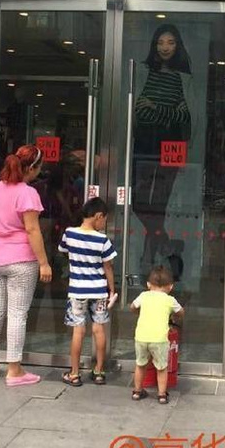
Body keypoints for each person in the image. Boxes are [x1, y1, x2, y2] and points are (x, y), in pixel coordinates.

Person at [0, 144, 53, 386]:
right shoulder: (27, 193)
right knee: (17, 314)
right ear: (31, 168)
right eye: (39, 167)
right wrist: (44, 262)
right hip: (20, 259)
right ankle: (14, 370)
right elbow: (32, 229)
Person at [133, 24, 193, 272]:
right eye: (160, 42)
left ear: (178, 46)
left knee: (158, 207)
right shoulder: (144, 73)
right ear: (154, 45)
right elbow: (139, 112)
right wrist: (169, 112)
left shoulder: (184, 79)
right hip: (144, 146)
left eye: (170, 42)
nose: (165, 47)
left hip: (171, 147)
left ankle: (147, 262)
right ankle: (168, 247)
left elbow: (185, 117)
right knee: (138, 203)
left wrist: (155, 108)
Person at [59, 197, 117, 386]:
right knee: (99, 330)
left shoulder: (69, 234)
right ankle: (99, 371)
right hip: (99, 290)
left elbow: (64, 251)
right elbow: (108, 266)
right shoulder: (102, 240)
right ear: (98, 216)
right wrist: (112, 289)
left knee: (78, 331)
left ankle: (74, 374)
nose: (103, 224)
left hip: (77, 290)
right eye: (104, 220)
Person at [130, 265, 184, 404]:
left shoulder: (143, 296)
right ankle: (161, 395)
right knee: (161, 367)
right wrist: (174, 315)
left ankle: (137, 392)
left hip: (141, 337)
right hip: (159, 339)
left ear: (148, 284)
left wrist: (138, 312)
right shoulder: (170, 300)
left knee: (140, 365)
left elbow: (132, 307)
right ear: (170, 287)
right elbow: (181, 312)